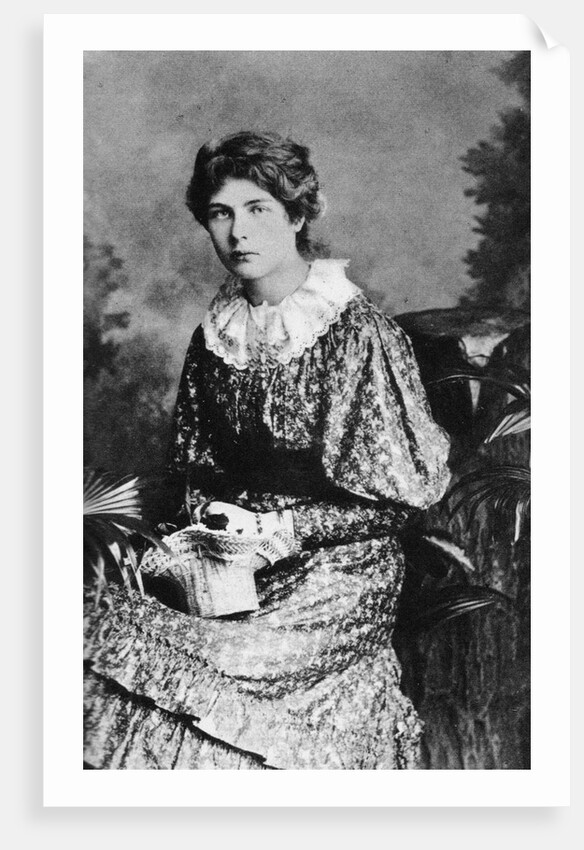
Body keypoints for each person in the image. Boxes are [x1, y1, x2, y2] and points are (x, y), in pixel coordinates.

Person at [83, 130, 451, 770]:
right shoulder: (215, 336)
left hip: (339, 573)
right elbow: (196, 469)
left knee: (218, 668)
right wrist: (204, 532)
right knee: (83, 621)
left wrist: (282, 528)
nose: (239, 233)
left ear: (298, 216)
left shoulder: (357, 333)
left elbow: (400, 501)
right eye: (221, 214)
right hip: (233, 566)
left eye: (258, 209)